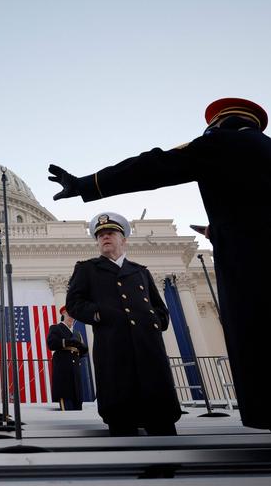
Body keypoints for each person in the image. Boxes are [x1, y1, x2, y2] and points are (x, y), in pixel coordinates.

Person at [48, 97, 271, 431]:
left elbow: (152, 166)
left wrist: (87, 184)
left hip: (247, 260)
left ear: (217, 124)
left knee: (255, 330)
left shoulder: (219, 142)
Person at [66, 212, 181, 436]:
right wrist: (98, 314)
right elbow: (74, 303)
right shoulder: (87, 269)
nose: (104, 238)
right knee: (122, 420)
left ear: (123, 239)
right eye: (100, 236)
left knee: (162, 420)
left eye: (110, 233)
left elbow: (160, 308)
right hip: (114, 349)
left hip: (149, 350)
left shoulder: (140, 271)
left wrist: (155, 322)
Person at [47, 305, 88, 411]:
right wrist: (68, 342)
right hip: (63, 367)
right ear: (63, 314)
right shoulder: (56, 328)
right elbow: (51, 344)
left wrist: (83, 348)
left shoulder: (77, 333)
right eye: (69, 314)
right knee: (66, 397)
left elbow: (82, 353)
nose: (71, 317)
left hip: (75, 368)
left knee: (77, 398)